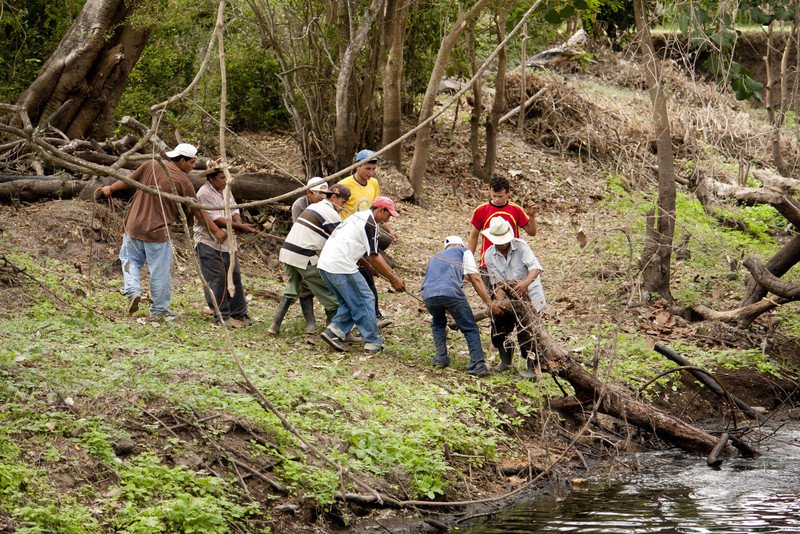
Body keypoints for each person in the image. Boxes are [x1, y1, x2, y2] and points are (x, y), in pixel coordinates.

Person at [95, 143, 226, 318]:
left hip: (134, 225)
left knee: (129, 260)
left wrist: (110, 188)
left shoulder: (151, 164)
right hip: (158, 232)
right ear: (182, 161)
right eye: (192, 162)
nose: (194, 166)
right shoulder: (184, 182)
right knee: (160, 271)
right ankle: (159, 310)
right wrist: (216, 231)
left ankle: (133, 291)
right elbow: (198, 212)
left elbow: (128, 180)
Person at [318, 196, 405, 353]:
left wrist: (367, 266)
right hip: (341, 266)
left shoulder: (358, 217)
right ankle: (373, 341)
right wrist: (393, 279)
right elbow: (374, 256)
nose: (388, 220)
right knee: (365, 298)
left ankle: (333, 332)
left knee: (350, 301)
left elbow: (352, 245)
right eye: (388, 215)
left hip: (325, 265)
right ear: (381, 210)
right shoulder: (370, 223)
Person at [271, 184, 351, 335]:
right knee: (331, 293)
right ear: (333, 197)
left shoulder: (314, 207)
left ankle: (275, 325)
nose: (344, 206)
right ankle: (337, 333)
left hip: (288, 254)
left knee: (292, 288)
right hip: (304, 256)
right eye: (343, 202)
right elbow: (340, 243)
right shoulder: (331, 214)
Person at [421, 235, 502, 377]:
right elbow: (475, 278)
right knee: (469, 327)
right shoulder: (464, 251)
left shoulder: (434, 257)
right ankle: (477, 365)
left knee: (438, 323)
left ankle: (440, 358)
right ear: (461, 244)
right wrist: (489, 303)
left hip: (428, 294)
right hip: (451, 293)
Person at [193, 166, 258, 328]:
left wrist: (239, 224)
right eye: (221, 178)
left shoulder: (226, 190)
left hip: (228, 244)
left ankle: (239, 313)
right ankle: (221, 315)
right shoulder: (204, 193)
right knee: (217, 278)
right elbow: (217, 220)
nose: (225, 181)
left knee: (234, 277)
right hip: (209, 242)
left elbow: (234, 210)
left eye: (226, 177)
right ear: (211, 178)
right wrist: (240, 227)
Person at [338, 149, 396, 328]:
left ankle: (371, 316)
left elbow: (377, 210)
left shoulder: (374, 184)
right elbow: (336, 209)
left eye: (373, 169)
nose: (370, 173)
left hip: (368, 234)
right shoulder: (344, 185)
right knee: (366, 274)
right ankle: (372, 317)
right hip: (351, 237)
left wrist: (389, 229)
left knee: (369, 272)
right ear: (357, 166)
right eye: (367, 168)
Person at [482, 218, 546, 379]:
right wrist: (498, 303)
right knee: (499, 325)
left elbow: (535, 269)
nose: (502, 244)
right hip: (508, 296)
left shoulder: (521, 246)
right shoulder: (489, 255)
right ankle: (505, 361)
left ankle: (532, 368)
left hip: (530, 294)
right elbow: (498, 282)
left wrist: (525, 284)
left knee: (528, 332)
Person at [279, 176, 329, 333]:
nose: (322, 197)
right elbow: (302, 231)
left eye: (325, 194)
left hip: (320, 250)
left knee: (309, 285)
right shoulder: (300, 205)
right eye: (319, 194)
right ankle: (310, 323)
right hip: (302, 248)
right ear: (309, 193)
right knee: (304, 286)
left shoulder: (327, 206)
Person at [468, 175, 538, 268]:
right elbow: (473, 237)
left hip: (512, 262)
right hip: (488, 263)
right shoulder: (481, 210)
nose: (497, 200)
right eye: (494, 196)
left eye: (500, 196)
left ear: (508, 193)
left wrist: (531, 216)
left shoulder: (516, 210)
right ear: (489, 191)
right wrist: (469, 261)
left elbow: (532, 232)